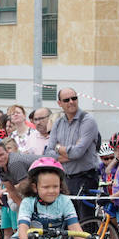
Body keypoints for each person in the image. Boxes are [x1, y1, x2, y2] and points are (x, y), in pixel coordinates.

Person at [45, 88, 100, 223]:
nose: (71, 102)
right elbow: (48, 153)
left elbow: (78, 152)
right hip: (66, 179)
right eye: (66, 100)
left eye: (74, 98)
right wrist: (64, 152)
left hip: (85, 179)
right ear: (59, 103)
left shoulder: (87, 120)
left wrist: (58, 148)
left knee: (85, 222)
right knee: (67, 223)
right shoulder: (58, 123)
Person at [0, 139, 38, 239]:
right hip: (33, 186)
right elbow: (11, 190)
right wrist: (24, 210)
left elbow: (26, 189)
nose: (0, 159)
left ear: (7, 151)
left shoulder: (14, 163)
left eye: (1, 155)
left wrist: (27, 212)